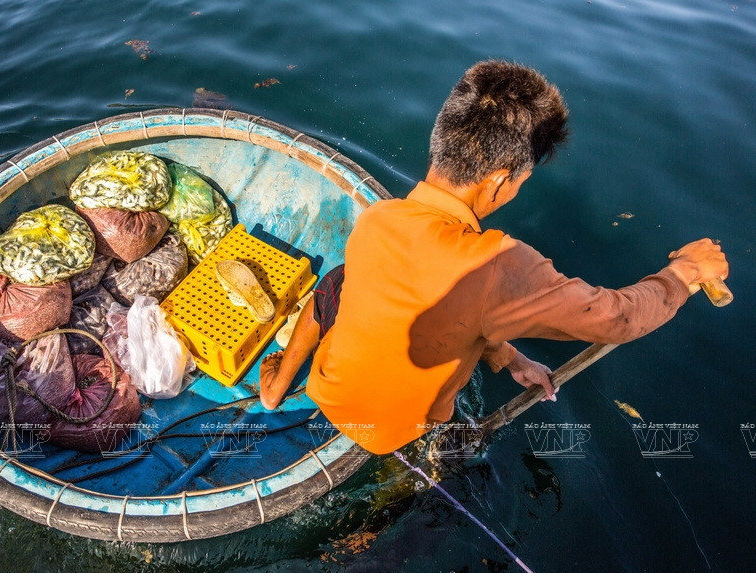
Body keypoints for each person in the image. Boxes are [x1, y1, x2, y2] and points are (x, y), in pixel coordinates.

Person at [259, 60, 729, 455]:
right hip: (394, 436)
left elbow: (444, 306)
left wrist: (510, 358)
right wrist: (684, 271)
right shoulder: (498, 263)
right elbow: (620, 320)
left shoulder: (379, 220)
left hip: (327, 392)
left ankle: (277, 386)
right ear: (500, 180)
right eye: (523, 179)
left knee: (342, 278)